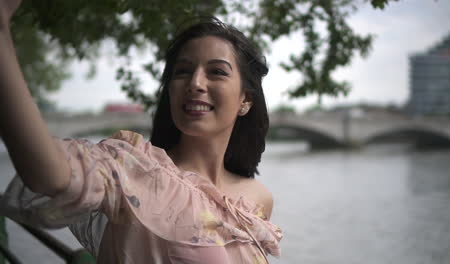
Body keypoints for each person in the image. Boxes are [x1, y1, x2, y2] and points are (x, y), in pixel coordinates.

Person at [0, 0, 282, 263]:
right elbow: (51, 175)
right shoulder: (133, 171)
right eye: (182, 71)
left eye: (217, 72)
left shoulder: (257, 199)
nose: (195, 82)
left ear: (245, 100)